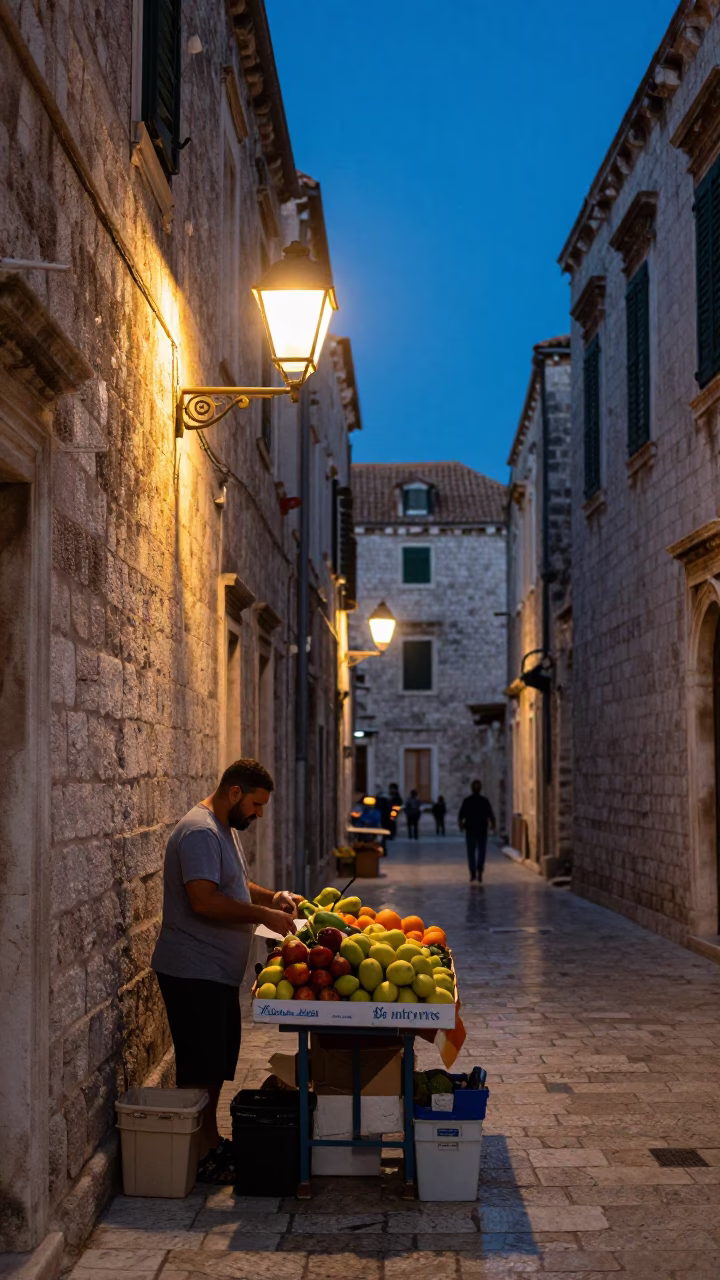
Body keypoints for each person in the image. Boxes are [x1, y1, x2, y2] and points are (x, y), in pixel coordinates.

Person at [151, 758, 302, 1184]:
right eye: (256, 805)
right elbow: (204, 900)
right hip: (193, 970)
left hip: (214, 973)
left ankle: (210, 1146)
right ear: (234, 792)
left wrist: (273, 898)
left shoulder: (223, 829)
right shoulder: (200, 831)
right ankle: (200, 1156)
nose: (258, 814)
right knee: (200, 1070)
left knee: (214, 1065)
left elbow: (232, 885)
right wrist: (262, 916)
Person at [458, 779, 496, 883]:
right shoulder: (484, 801)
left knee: (471, 852)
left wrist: (461, 826)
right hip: (481, 829)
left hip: (471, 829)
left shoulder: (467, 801)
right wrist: (493, 825)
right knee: (481, 851)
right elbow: (491, 814)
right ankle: (479, 870)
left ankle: (473, 872)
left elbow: (461, 815)